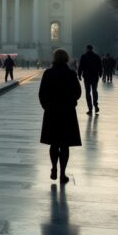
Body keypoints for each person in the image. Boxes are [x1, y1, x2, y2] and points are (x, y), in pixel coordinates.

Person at [39, 48, 82, 184]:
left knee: (53, 143)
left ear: (54, 59)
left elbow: (42, 93)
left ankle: (53, 168)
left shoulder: (48, 73)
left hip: (51, 111)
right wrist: (72, 102)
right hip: (67, 112)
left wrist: (46, 106)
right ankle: (63, 173)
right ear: (66, 59)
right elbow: (78, 92)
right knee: (65, 145)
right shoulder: (71, 73)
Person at [78, 44, 102, 115]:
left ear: (87, 49)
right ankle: (96, 104)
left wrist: (79, 75)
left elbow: (80, 66)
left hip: (87, 77)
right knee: (94, 91)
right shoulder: (96, 56)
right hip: (95, 76)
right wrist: (100, 73)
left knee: (88, 92)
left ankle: (90, 108)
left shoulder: (84, 56)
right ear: (92, 49)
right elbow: (100, 66)